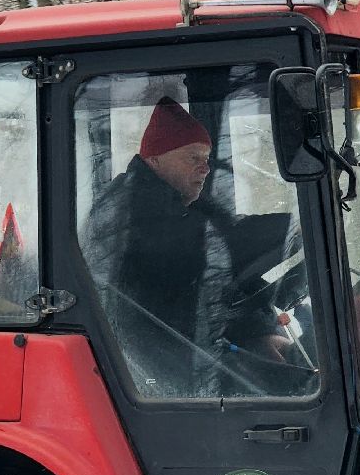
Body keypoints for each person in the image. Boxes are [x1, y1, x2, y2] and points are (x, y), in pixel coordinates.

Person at [83, 96, 291, 396]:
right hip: (148, 382)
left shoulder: (175, 209)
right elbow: (212, 247)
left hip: (181, 362)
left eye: (206, 158)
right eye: (193, 157)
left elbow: (217, 282)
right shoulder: (129, 209)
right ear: (155, 158)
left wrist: (261, 329)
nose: (205, 168)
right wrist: (297, 225)